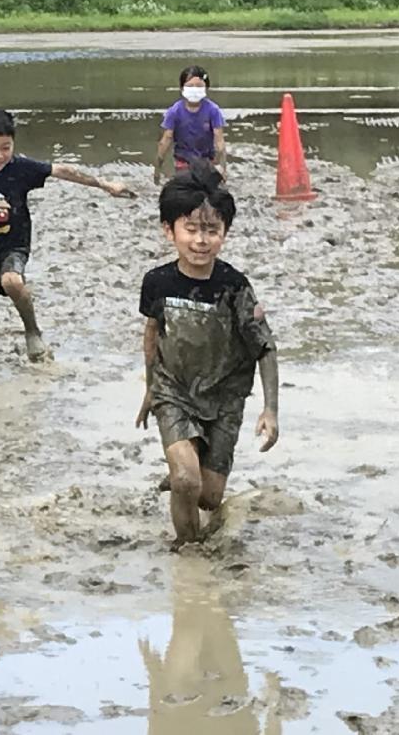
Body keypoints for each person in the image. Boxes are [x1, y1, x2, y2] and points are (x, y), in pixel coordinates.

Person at [136, 165, 279, 545]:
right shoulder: (157, 282)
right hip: (175, 390)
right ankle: (188, 552)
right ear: (170, 231)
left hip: (224, 397)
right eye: (192, 229)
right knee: (186, 479)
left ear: (225, 234)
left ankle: (188, 477)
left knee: (209, 495)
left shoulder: (234, 286)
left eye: (212, 231)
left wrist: (270, 409)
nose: (201, 241)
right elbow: (153, 333)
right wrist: (150, 387)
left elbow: (265, 346)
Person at [0, 108, 135, 367]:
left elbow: (62, 170)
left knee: (12, 280)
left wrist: (105, 184)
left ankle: (32, 330)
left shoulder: (20, 168)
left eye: (5, 147)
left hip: (13, 245)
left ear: (13, 145)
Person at [155, 65, 226, 184]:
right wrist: (157, 168)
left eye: (199, 86)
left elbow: (219, 141)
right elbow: (165, 140)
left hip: (207, 160)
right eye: (190, 86)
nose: (194, 89)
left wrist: (222, 167)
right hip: (183, 161)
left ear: (206, 88)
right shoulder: (174, 112)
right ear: (182, 88)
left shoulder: (213, 110)